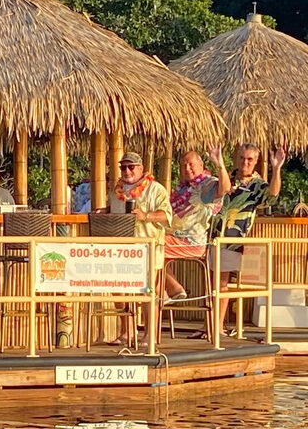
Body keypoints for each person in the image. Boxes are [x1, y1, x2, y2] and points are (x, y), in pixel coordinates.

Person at [192, 143, 286, 339]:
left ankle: (217, 326)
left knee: (222, 282)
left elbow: (273, 195)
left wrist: (276, 169)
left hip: (233, 239)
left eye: (250, 159)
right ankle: (207, 324)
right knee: (210, 283)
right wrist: (218, 163)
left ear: (255, 162)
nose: (245, 162)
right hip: (213, 236)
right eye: (242, 158)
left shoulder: (257, 185)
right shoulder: (228, 178)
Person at [106, 152, 172, 345]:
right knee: (118, 291)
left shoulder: (155, 189)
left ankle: (150, 335)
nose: (126, 171)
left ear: (141, 169)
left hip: (148, 249)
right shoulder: (116, 191)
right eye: (123, 167)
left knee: (148, 292)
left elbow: (168, 216)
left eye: (131, 167)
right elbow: (114, 211)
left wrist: (147, 216)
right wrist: (105, 211)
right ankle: (127, 331)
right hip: (121, 250)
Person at [164, 147, 231, 302]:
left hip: (191, 241)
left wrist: (219, 163)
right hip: (174, 236)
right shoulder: (183, 187)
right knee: (149, 241)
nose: (187, 168)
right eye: (183, 165)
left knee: (151, 245)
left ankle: (170, 288)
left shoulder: (206, 185)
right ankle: (165, 289)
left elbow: (225, 189)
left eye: (191, 164)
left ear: (201, 166)